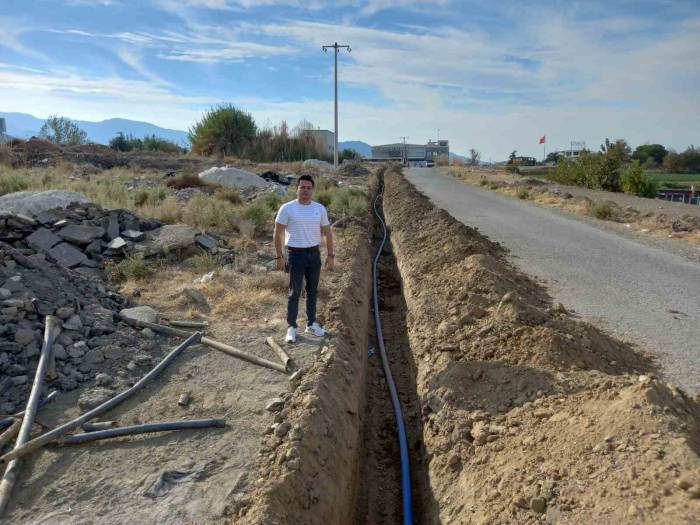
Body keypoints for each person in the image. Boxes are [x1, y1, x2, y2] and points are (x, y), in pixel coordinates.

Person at [273, 175, 334, 343]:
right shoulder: (287, 208)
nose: (305, 190)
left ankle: (311, 323)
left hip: (314, 255)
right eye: (302, 187)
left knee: (312, 291)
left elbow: (328, 233)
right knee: (294, 292)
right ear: (297, 189)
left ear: (312, 190)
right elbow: (277, 233)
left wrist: (330, 255)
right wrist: (279, 256)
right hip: (295, 255)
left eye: (308, 187)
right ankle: (291, 327)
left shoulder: (319, 209)